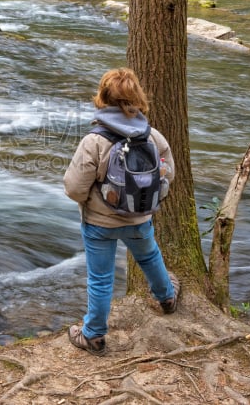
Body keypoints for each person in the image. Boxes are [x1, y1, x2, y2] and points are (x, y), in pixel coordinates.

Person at [63, 67, 180, 356]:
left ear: (102, 98)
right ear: (138, 97)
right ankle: (166, 297)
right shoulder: (152, 136)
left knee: (101, 278)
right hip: (140, 217)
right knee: (149, 256)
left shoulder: (95, 140)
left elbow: (75, 188)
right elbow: (170, 174)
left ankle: (93, 335)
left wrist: (93, 200)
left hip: (100, 224)